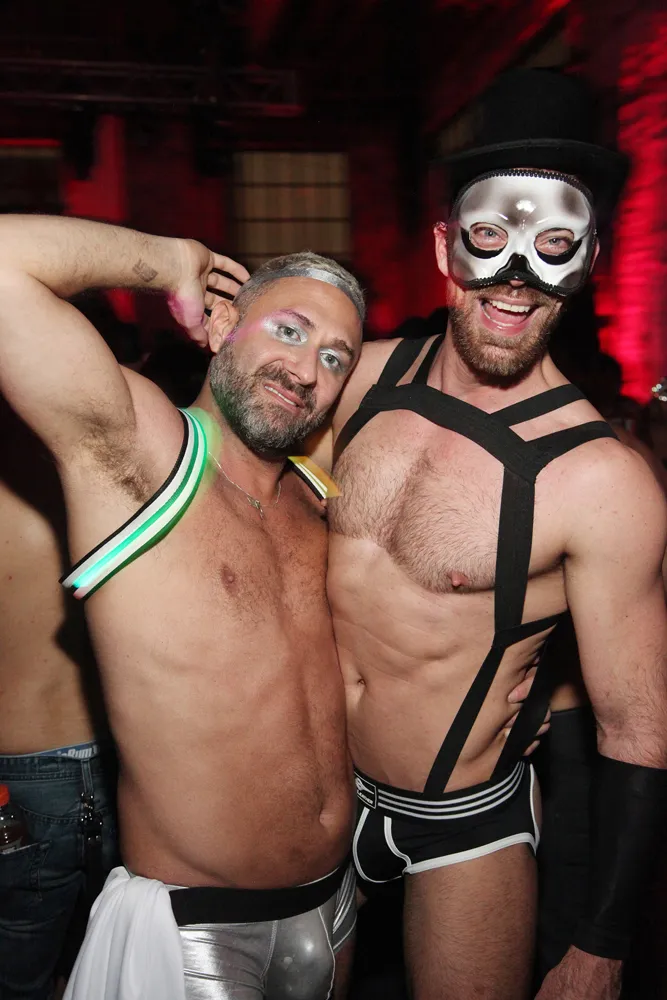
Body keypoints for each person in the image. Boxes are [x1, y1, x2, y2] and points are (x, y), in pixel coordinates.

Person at [316, 69, 667, 1000]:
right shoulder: (356, 381)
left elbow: (637, 729)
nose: (517, 277)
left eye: (552, 246)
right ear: (444, 245)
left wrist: (600, 948)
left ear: (586, 261)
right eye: (488, 238)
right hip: (310, 790)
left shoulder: (601, 481)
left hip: (462, 823)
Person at [0, 218, 365, 999]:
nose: (306, 370)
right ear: (222, 324)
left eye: (334, 357)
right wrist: (168, 261)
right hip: (197, 934)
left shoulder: (317, 492)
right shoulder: (143, 455)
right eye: (289, 330)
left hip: (334, 909)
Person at [0, 397, 120, 1000]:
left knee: (19, 971)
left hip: (20, 779)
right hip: (119, 762)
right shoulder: (113, 474)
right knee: (114, 960)